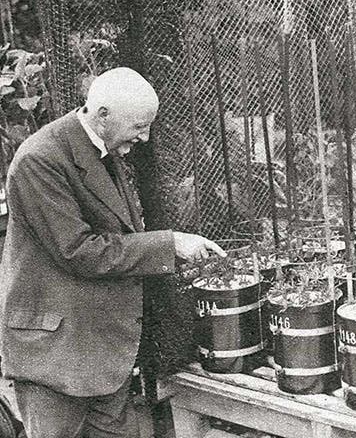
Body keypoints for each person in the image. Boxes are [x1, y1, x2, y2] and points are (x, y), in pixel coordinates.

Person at [0, 67, 225, 437]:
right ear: (102, 114)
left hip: (103, 355)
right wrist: (170, 244)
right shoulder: (40, 159)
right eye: (139, 125)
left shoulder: (105, 149)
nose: (146, 135)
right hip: (56, 358)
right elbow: (79, 251)